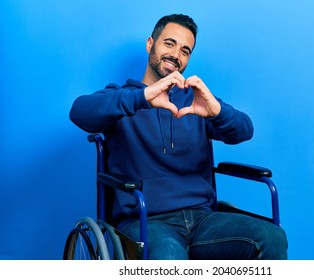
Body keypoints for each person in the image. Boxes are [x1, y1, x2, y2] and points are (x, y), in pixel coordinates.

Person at [70, 14, 288, 260]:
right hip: (146, 220)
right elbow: (79, 112)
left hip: (203, 219)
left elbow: (244, 129)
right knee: (168, 255)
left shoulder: (196, 101)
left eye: (185, 50)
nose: (176, 54)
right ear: (150, 44)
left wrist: (216, 110)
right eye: (169, 43)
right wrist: (143, 98)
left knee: (272, 237)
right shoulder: (123, 98)